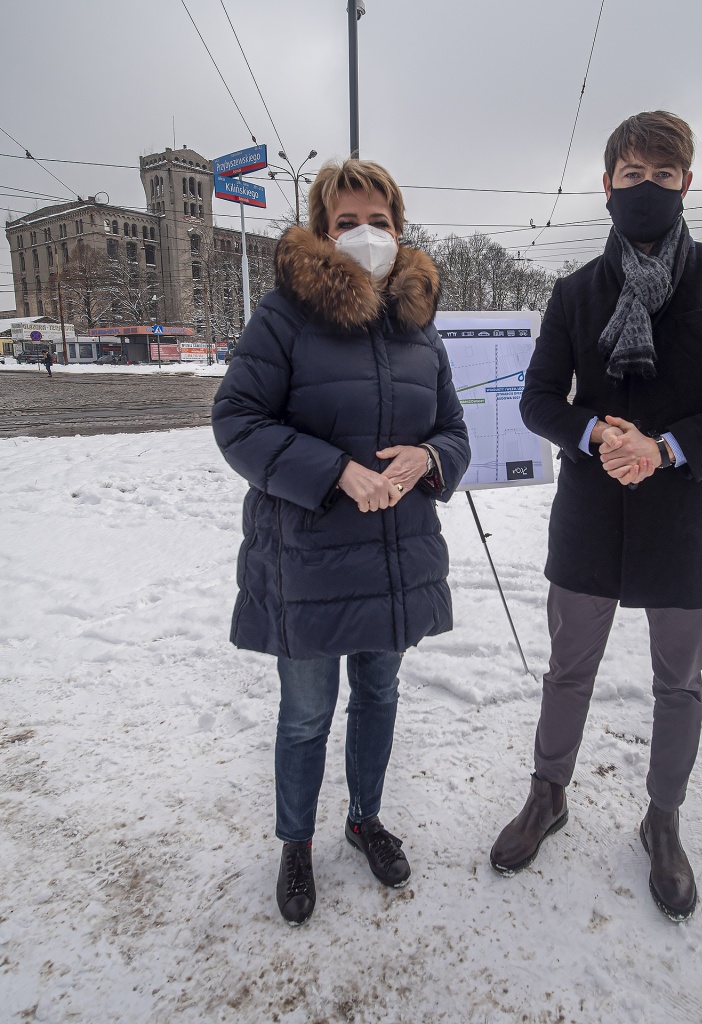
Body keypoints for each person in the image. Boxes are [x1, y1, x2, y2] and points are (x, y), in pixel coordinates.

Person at [490, 111, 702, 921]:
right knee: (567, 668)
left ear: (685, 182)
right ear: (607, 185)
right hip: (590, 511)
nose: (645, 189)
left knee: (677, 682)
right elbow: (539, 399)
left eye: (662, 175)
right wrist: (594, 432)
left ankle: (663, 818)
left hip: (686, 514)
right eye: (630, 175)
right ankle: (547, 795)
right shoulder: (575, 290)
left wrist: (669, 447)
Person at [212, 159, 470, 926]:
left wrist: (431, 458)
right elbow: (238, 422)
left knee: (380, 694)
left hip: (395, 555)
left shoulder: (419, 325)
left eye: (379, 221)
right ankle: (296, 842)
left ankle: (364, 818)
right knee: (305, 712)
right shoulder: (284, 317)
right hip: (309, 557)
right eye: (346, 222)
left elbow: (453, 430)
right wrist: (335, 473)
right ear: (323, 232)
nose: (365, 235)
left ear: (400, 228)